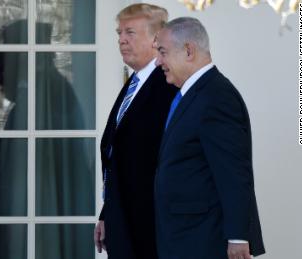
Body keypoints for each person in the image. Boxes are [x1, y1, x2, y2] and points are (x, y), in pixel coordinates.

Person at [154, 17, 265, 259]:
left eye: (162, 52)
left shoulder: (216, 97)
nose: (157, 61)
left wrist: (238, 236)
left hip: (203, 239)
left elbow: (234, 172)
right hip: (183, 234)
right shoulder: (193, 93)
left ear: (188, 50)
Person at [94, 3, 177, 259]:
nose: (121, 40)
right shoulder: (136, 81)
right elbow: (116, 153)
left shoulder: (168, 84)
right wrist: (108, 213)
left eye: (130, 33)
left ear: (156, 39)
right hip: (124, 219)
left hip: (149, 226)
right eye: (119, 33)